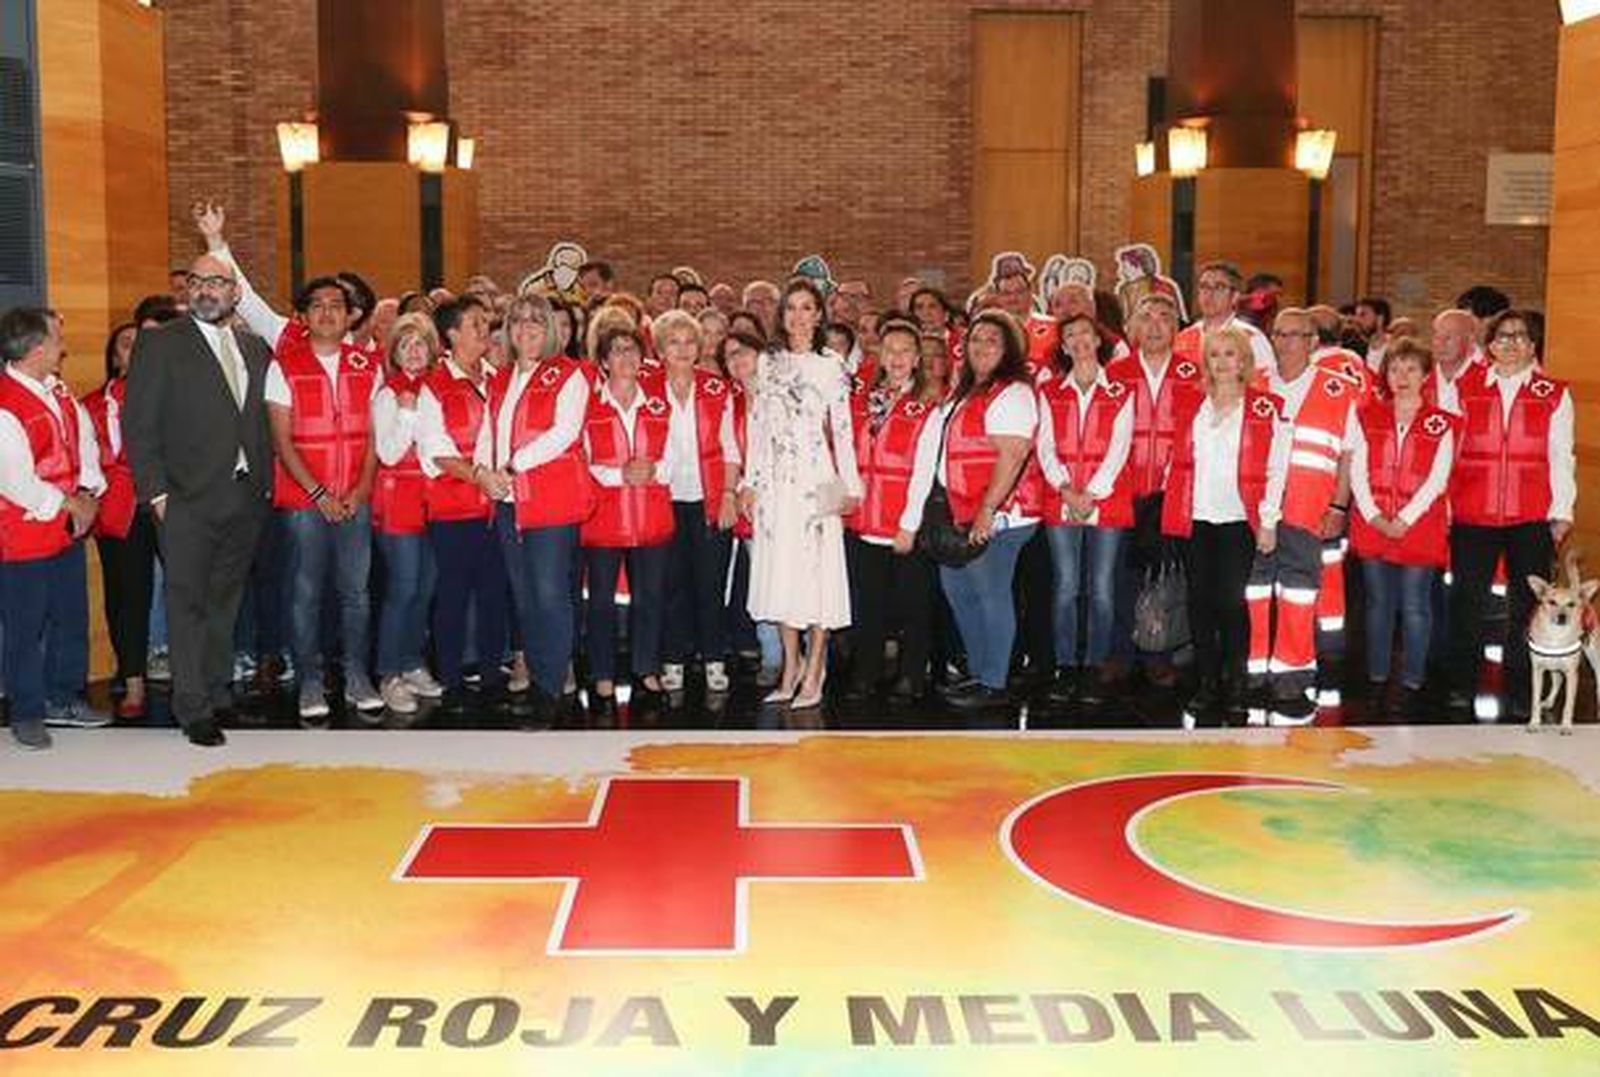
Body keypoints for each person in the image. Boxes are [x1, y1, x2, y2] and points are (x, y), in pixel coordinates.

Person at [124, 254, 275, 747]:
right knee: (186, 603)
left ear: (235, 293)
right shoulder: (160, 343)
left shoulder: (254, 349)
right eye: (197, 282)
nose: (206, 290)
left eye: (217, 282)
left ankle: (216, 688)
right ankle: (192, 708)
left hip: (245, 498)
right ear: (186, 291)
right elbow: (139, 426)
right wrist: (157, 495)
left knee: (224, 603)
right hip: (185, 501)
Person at [265, 274, 384, 723]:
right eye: (317, 305)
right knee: (305, 592)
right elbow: (281, 440)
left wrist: (362, 488)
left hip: (355, 497)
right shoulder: (285, 365)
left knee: (356, 594)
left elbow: (376, 434)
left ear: (350, 314)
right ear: (303, 316)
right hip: (303, 501)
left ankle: (357, 677)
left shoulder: (367, 365)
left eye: (337, 304)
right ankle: (309, 680)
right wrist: (317, 494)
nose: (328, 312)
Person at [1447, 309, 1575, 720]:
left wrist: (1561, 511)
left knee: (1524, 608)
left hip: (1530, 517)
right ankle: (1461, 686)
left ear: (1532, 345)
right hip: (1472, 515)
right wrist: (1447, 506)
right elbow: (1448, 451)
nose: (1511, 342)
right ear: (1489, 346)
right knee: (1467, 604)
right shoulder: (1464, 387)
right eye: (1502, 336)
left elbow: (1561, 456)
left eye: (1520, 336)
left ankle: (1521, 691)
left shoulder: (1554, 393)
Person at [741, 279, 863, 710]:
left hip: (814, 483)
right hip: (775, 485)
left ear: (818, 314)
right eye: (790, 307)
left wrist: (851, 487)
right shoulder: (767, 362)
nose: (797, 315)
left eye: (806, 307)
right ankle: (790, 666)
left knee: (815, 576)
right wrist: (749, 482)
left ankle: (817, 667)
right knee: (782, 576)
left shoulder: (832, 365)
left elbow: (843, 432)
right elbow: (757, 426)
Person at [1245, 308, 1364, 724]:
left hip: (1310, 506)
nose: (1285, 342)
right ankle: (1253, 674)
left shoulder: (1340, 388)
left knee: (1298, 594)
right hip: (1257, 508)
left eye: (1295, 334)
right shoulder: (1254, 382)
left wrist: (1339, 504)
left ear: (1313, 341)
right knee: (1255, 592)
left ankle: (1291, 680)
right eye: (1278, 333)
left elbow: (1350, 453)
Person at [1160, 325, 1285, 719]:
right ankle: (1207, 682)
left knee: (1231, 604)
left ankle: (1236, 685)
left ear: (1245, 361)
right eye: (1215, 355)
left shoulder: (1266, 407)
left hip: (1237, 519)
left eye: (1231, 354)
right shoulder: (1192, 404)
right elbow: (1175, 460)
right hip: (1196, 517)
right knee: (1199, 602)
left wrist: (1268, 520)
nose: (1223, 362)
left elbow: (1276, 467)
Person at [0, 308, 110, 750]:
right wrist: (70, 504)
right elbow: (15, 481)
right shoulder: (5, 404)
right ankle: (27, 711)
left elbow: (84, 443)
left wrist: (88, 493)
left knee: (70, 617)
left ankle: (64, 697)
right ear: (35, 348)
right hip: (22, 534)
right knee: (25, 627)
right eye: (57, 340)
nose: (64, 348)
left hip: (65, 529)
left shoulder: (59, 391)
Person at [487, 294, 593, 719]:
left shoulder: (571, 374)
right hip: (509, 499)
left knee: (550, 594)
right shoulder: (501, 377)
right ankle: (540, 672)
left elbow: (563, 432)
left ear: (548, 328)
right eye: (517, 323)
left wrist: (511, 466)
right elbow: (490, 431)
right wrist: (486, 473)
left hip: (550, 498)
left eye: (535, 322)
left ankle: (550, 685)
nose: (526, 330)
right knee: (525, 593)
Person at [933, 310, 1041, 711]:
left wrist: (987, 511)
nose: (981, 346)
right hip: (962, 511)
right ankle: (980, 673)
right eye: (976, 339)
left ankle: (994, 682)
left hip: (1000, 513)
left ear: (1009, 348)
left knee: (990, 592)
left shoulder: (1012, 392)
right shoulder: (967, 389)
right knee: (959, 590)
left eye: (992, 340)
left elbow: (1012, 457)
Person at [414, 295, 511, 714]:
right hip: (455, 507)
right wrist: (479, 476)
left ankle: (491, 674)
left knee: (494, 593)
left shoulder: (501, 378)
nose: (484, 330)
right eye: (474, 324)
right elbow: (435, 449)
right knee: (452, 595)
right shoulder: (434, 385)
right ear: (451, 334)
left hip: (500, 507)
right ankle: (452, 678)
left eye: (486, 323)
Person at [1348, 339, 1454, 717]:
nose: (1402, 377)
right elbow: (1356, 469)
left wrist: (1405, 519)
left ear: (1426, 375)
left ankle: (1411, 682)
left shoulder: (1442, 422)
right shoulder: (1366, 415)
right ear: (1385, 375)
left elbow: (1438, 478)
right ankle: (1376, 679)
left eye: (1411, 369)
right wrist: (1374, 514)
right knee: (1378, 605)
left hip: (1419, 525)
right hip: (1372, 521)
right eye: (1395, 369)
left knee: (1415, 606)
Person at [1105, 293, 1204, 685]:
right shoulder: (1115, 373)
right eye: (1147, 318)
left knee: (1165, 576)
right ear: (1133, 328)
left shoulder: (1194, 373)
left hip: (1175, 492)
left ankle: (1159, 651)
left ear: (1176, 330)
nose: (1156, 325)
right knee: (1120, 575)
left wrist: (1175, 486)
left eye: (1165, 317)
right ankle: (1119, 652)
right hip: (1124, 491)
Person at [842, 317, 941, 703]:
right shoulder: (863, 401)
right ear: (879, 356)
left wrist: (909, 524)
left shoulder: (927, 407)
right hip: (863, 519)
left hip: (903, 522)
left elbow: (923, 470)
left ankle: (912, 675)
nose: (897, 358)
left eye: (905, 351)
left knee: (913, 605)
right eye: (890, 351)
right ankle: (865, 673)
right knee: (868, 604)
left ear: (917, 359)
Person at [1036, 313, 1133, 705]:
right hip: (1061, 497)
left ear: (1098, 340)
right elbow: (1043, 445)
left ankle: (1094, 665)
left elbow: (1119, 447)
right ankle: (1065, 664)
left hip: (1104, 500)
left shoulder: (1122, 392)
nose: (1078, 341)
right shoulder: (1050, 392)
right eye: (1070, 335)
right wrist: (1064, 489)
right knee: (1064, 586)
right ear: (1063, 346)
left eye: (1085, 334)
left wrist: (1090, 493)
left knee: (1102, 589)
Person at [581, 327, 676, 718]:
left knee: (650, 599)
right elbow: (581, 459)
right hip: (604, 518)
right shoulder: (589, 406)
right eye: (616, 351)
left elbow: (676, 456)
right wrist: (619, 475)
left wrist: (652, 470)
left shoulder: (659, 405)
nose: (625, 357)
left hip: (651, 514)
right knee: (601, 602)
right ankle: (602, 673)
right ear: (603, 361)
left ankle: (645, 668)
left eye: (632, 350)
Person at [655, 309, 740, 694]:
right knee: (672, 584)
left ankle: (713, 657)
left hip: (709, 499)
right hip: (663, 499)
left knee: (710, 583)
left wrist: (727, 494)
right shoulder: (647, 388)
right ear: (659, 349)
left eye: (690, 341)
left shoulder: (715, 388)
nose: (683, 349)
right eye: (674, 341)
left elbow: (731, 449)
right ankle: (673, 657)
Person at [370, 313, 446, 715]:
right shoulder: (390, 394)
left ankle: (412, 660)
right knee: (403, 586)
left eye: (421, 344)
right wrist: (407, 411)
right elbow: (389, 451)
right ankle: (388, 672)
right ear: (395, 354)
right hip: (398, 498)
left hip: (432, 499)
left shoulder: (434, 388)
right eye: (406, 345)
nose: (415, 352)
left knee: (426, 585)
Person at [82, 323, 153, 719]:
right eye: (127, 345)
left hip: (172, 504)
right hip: (119, 506)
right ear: (115, 357)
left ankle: (200, 678)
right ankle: (134, 679)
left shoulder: (176, 398)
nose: (136, 351)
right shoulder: (91, 405)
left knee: (189, 591)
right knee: (127, 597)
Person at [1173, 261, 1274, 373]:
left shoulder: (1251, 339)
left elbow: (1266, 383)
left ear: (1235, 296)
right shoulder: (1183, 339)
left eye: (1219, 287)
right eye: (1204, 286)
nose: (1209, 294)